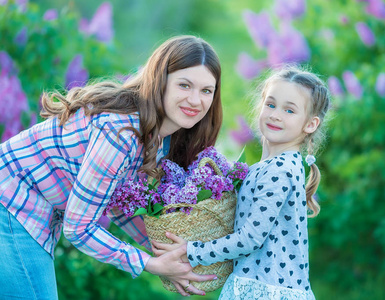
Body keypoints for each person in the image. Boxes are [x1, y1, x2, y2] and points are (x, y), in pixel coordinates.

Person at [0, 35, 223, 299]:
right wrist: (150, 264)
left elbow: (118, 203)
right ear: (160, 82)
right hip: (11, 202)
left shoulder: (159, 138)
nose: (195, 100)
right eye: (184, 85)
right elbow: (79, 227)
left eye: (206, 91)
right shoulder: (122, 133)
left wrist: (169, 254)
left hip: (27, 209)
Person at [152, 65, 332, 299]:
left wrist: (191, 250)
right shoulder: (269, 167)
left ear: (310, 124)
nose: (276, 114)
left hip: (266, 291)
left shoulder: (280, 169)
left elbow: (250, 238)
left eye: (289, 110)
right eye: (270, 105)